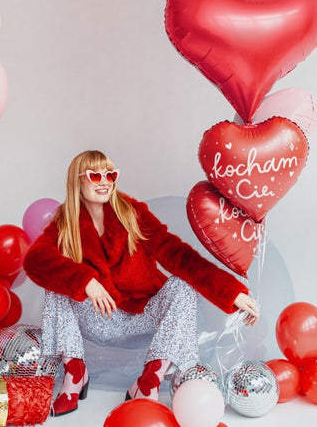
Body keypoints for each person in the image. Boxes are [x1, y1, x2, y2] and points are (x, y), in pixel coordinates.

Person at [23, 150, 259, 417]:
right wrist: (86, 281)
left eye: (111, 175)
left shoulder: (132, 213)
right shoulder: (64, 224)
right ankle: (74, 374)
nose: (105, 182)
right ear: (77, 181)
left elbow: (178, 254)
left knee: (183, 286)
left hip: (142, 313)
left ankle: (149, 381)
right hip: (97, 316)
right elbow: (34, 260)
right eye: (95, 176)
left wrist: (231, 292)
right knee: (56, 284)